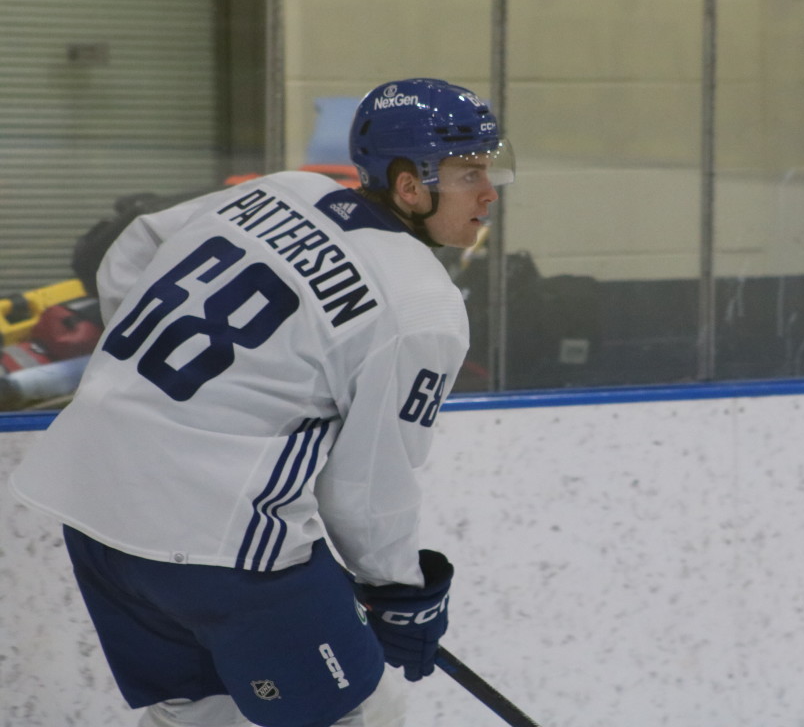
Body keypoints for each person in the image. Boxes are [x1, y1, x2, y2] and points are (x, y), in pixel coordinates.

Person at [9, 78, 515, 727]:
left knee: (197, 713)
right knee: (346, 711)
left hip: (90, 505)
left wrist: (149, 387)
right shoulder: (421, 305)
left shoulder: (283, 189)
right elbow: (366, 488)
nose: (487, 193)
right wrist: (400, 590)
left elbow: (129, 250)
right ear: (410, 185)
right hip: (218, 544)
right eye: (468, 171)